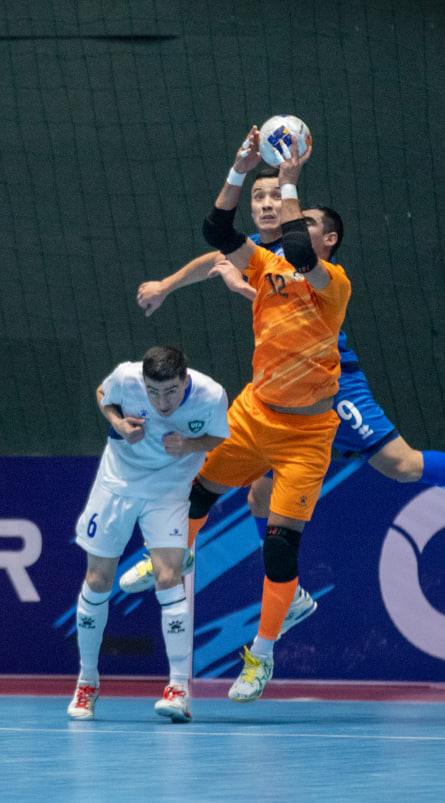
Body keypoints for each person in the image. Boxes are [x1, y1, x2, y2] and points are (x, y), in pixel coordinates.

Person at [128, 165, 445, 641]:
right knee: (259, 494)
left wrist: (249, 279)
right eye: (257, 197)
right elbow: (214, 255)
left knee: (401, 465)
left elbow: (286, 292)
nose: (263, 204)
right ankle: (290, 592)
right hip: (279, 395)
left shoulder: (304, 255)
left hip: (332, 385)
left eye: (271, 197)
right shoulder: (259, 251)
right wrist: (165, 285)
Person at [136, 127, 351, 704]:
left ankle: (262, 654)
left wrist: (287, 180)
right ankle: (170, 556)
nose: (290, 223)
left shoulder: (332, 284)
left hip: (308, 434)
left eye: (304, 220)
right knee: (197, 494)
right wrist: (239, 169)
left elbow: (299, 254)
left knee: (281, 544)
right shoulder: (261, 265)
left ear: (328, 239)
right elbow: (216, 232)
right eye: (289, 215)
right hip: (257, 414)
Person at [68, 345, 229, 723]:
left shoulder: (211, 394)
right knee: (97, 580)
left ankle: (178, 690)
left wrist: (190, 445)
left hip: (169, 489)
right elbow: (103, 395)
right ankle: (87, 681)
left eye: (170, 391)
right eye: (153, 392)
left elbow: (218, 436)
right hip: (116, 484)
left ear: (184, 380)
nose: (162, 402)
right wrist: (118, 423)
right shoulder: (125, 376)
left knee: (168, 576)